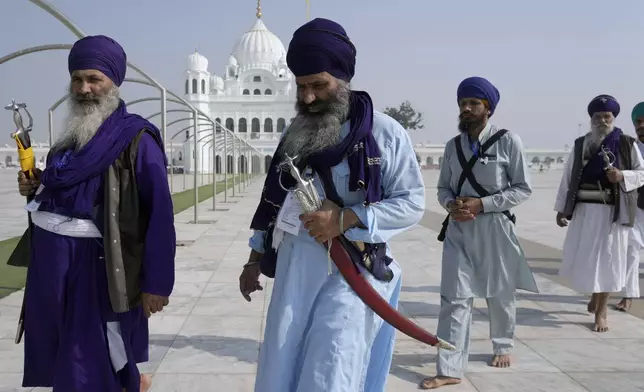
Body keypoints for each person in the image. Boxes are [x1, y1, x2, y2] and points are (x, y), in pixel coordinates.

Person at [238, 18, 425, 392]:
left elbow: (412, 203)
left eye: (318, 85)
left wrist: (347, 217)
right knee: (283, 360)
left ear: (343, 79)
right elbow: (275, 198)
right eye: (301, 86)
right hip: (296, 269)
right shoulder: (295, 133)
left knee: (332, 363)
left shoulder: (384, 133)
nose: (307, 97)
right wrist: (254, 258)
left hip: (353, 268)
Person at [15, 35, 175, 392]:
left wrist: (157, 282)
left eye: (94, 79)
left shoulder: (137, 138)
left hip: (98, 268)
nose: (84, 88)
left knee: (86, 361)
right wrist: (37, 186)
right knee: (63, 355)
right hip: (53, 269)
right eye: (77, 79)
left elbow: (160, 213)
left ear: (113, 83)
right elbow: (62, 188)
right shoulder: (66, 143)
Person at [421, 76, 537, 390]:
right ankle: (449, 366)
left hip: (495, 226)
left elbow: (522, 188)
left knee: (499, 292)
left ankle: (502, 345)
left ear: (488, 108)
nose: (467, 108)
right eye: (463, 103)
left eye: (474, 103)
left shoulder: (508, 140)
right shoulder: (452, 145)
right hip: (459, 228)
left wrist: (483, 204)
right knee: (454, 297)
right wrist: (450, 205)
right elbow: (443, 187)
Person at [555, 95, 644, 332]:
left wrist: (622, 175)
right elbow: (568, 178)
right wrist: (562, 209)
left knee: (609, 261)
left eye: (607, 116)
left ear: (613, 118)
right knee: (588, 261)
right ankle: (595, 296)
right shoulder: (580, 144)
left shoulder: (626, 143)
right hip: (585, 212)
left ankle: (601, 312)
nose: (602, 120)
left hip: (613, 215)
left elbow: (642, 172)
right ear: (591, 119)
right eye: (598, 117)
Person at [614, 102, 644, 312]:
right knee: (632, 248)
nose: (640, 126)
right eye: (637, 122)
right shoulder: (630, 147)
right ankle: (629, 294)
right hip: (638, 205)